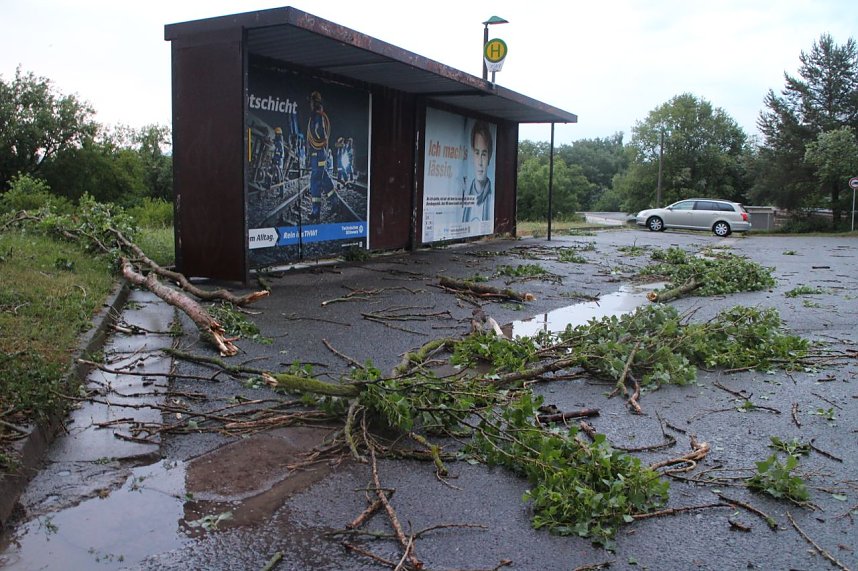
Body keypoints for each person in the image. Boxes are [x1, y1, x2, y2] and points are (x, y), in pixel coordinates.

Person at [306, 91, 334, 221]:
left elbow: (320, 132)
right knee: (324, 178)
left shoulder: (317, 116)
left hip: (318, 153)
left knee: (315, 181)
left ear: (314, 102)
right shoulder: (316, 116)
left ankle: (316, 211)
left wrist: (318, 142)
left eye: (311, 102)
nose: (310, 105)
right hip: (317, 153)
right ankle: (334, 202)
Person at [462, 121, 493, 223]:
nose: (480, 162)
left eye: (484, 154)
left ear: (489, 157)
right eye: (477, 153)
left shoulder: (492, 200)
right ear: (472, 155)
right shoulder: (464, 198)